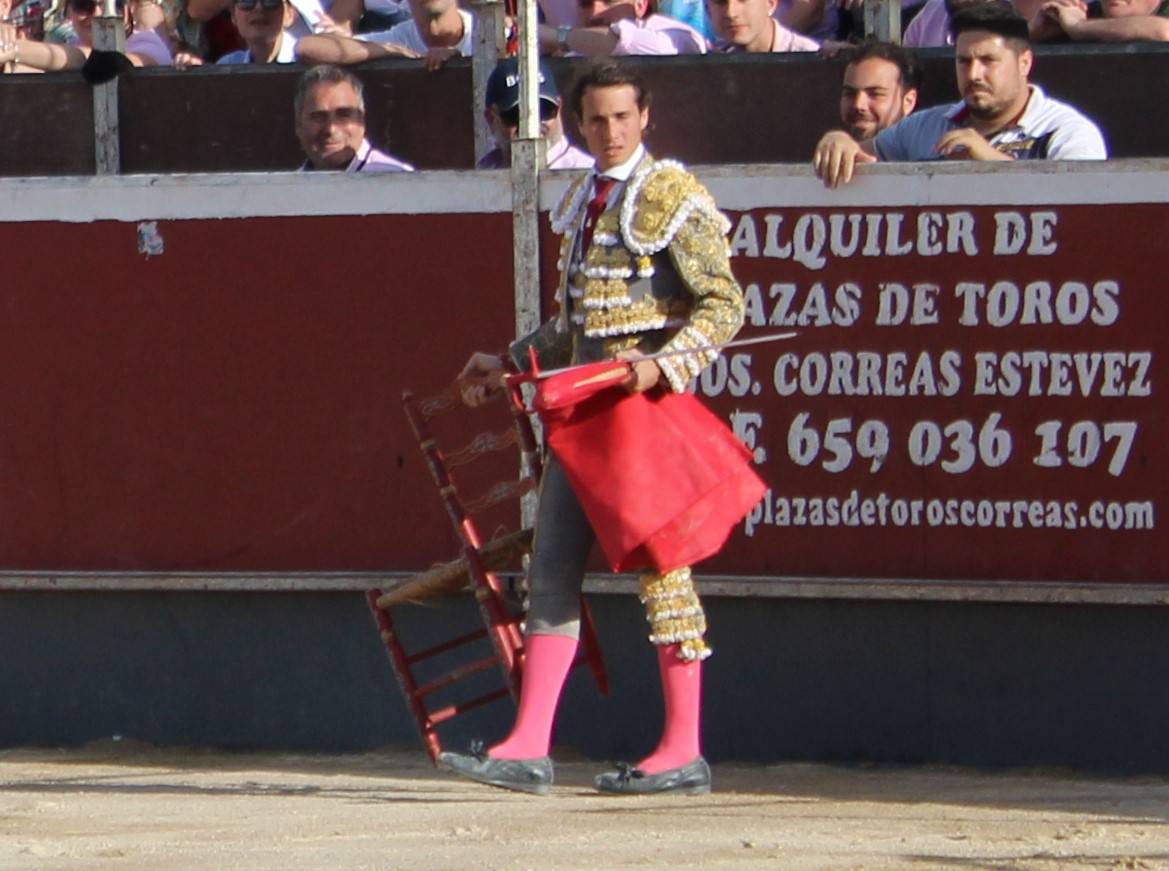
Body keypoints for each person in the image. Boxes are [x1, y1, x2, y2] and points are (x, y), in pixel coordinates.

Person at [441, 60, 746, 797]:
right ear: (577, 124)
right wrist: (510, 359)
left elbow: (723, 304)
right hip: (583, 417)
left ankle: (682, 748)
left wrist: (661, 366)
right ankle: (528, 744)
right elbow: (576, 325)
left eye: (620, 117)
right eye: (594, 120)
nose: (608, 131)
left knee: (664, 577)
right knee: (549, 570)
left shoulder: (671, 195)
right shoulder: (586, 198)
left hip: (638, 416)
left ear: (644, 117)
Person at [812, 1, 1106, 187]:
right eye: (964, 61)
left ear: (1024, 63)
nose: (974, 74)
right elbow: (866, 151)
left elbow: (1082, 204)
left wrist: (989, 160)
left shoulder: (1065, 131)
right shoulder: (927, 125)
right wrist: (839, 141)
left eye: (988, 61)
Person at [479, 56, 594, 170]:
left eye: (544, 110)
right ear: (491, 118)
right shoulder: (479, 176)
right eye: (515, 114)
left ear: (559, 108)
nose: (533, 123)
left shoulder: (585, 173)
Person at [294, 64, 414, 171]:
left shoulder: (395, 179)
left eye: (343, 115)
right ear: (298, 124)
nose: (331, 129)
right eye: (319, 117)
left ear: (362, 120)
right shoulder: (287, 190)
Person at [0, 0, 173, 69]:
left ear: (129, 10)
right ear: (69, 12)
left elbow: (102, 62)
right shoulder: (71, 45)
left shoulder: (149, 44)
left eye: (114, 4)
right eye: (84, 4)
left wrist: (11, 47)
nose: (98, 14)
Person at [294, 0, 471, 68]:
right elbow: (306, 47)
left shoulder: (487, 32)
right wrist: (391, 52)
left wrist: (461, 61)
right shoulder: (401, 38)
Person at [537, 0, 707, 56]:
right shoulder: (569, 50)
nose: (595, 12)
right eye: (586, 3)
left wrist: (554, 36)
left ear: (640, 5)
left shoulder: (675, 34)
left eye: (608, 1)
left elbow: (622, 41)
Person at [839, 41, 921, 140]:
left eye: (875, 94)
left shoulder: (929, 153)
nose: (858, 105)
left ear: (908, 101)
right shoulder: (822, 151)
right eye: (850, 94)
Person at [1030, 0, 1169, 42]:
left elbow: (1163, 31)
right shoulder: (1080, 13)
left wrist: (1080, 27)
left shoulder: (1078, 23)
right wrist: (1032, 34)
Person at [708, 0, 819, 50]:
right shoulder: (711, 71)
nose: (730, 13)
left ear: (770, 4)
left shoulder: (810, 61)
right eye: (720, 2)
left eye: (743, 0)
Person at [216, 0, 298, 62]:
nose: (259, 8)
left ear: (289, 14)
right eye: (247, 1)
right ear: (233, 15)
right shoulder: (228, 65)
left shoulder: (306, 62)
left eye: (270, 1)